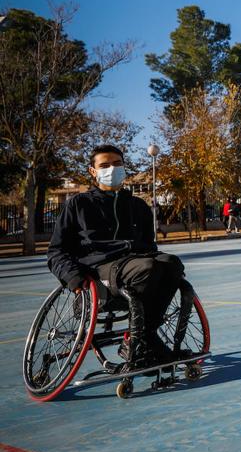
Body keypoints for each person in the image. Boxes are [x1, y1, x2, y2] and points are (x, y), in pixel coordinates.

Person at [47, 144, 189, 371]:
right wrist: (73, 278)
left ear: (124, 167)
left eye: (117, 164)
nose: (111, 169)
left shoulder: (137, 206)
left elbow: (149, 245)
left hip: (136, 263)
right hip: (100, 269)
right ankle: (142, 339)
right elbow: (56, 251)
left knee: (172, 264)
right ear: (93, 171)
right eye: (104, 165)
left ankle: (143, 335)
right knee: (148, 267)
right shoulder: (78, 204)